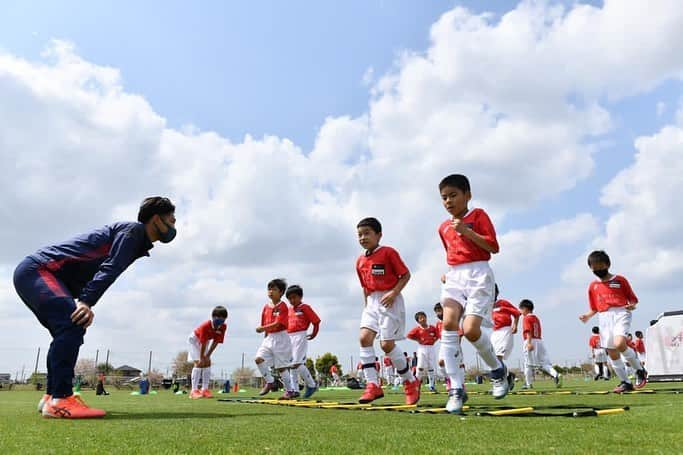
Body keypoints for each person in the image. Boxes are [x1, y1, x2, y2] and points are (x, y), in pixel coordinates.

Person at [14, 196, 176, 419]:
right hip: (40, 270)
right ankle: (61, 399)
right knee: (72, 325)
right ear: (156, 219)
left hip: (37, 273)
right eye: (171, 220)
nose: (173, 226)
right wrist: (86, 301)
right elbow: (111, 267)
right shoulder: (134, 232)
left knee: (67, 329)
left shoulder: (136, 239)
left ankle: (52, 396)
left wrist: (83, 299)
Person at [437, 174, 506, 413]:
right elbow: (453, 252)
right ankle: (456, 387)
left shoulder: (478, 216)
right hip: (455, 275)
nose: (448, 201)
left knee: (470, 330)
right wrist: (449, 272)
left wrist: (468, 232)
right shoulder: (443, 227)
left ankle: (497, 370)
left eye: (453, 195)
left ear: (468, 195)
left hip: (479, 273)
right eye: (444, 197)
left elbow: (493, 247)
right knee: (448, 324)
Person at [355, 217, 421, 405]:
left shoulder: (388, 253)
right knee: (364, 338)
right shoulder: (360, 261)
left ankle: (410, 381)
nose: (363, 237)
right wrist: (366, 306)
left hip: (390, 301)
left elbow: (405, 275)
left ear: (379, 235)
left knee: (386, 345)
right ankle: (372, 385)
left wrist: (394, 292)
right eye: (359, 234)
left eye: (367, 233)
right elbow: (365, 287)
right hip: (372, 302)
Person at [579, 250, 647, 393]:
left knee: (619, 344)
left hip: (621, 312)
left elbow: (633, 299)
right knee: (612, 352)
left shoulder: (620, 280)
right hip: (604, 317)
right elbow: (594, 308)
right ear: (590, 268)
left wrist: (632, 305)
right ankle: (625, 382)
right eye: (594, 268)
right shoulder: (593, 286)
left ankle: (640, 370)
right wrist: (587, 316)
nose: (598, 270)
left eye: (600, 266)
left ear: (607, 264)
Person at [255, 279, 294, 398]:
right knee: (258, 359)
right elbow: (265, 326)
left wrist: (262, 328)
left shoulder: (283, 306)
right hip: (269, 337)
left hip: (281, 337)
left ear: (281, 292)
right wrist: (265, 335)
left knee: (281, 367)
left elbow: (278, 323)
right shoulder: (266, 307)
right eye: (269, 289)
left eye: (274, 289)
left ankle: (290, 391)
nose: (271, 291)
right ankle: (270, 382)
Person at [285, 284, 320, 399]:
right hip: (289, 337)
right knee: (291, 364)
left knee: (297, 363)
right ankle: (294, 390)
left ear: (300, 297)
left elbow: (316, 321)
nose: (292, 300)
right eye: (289, 298)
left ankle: (311, 385)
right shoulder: (289, 309)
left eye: (294, 297)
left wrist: (314, 334)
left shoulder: (305, 307)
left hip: (300, 335)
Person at [187, 305, 228, 399]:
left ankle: (204, 389)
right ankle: (193, 391)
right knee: (199, 363)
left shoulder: (223, 327)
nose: (221, 319)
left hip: (206, 341)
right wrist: (202, 358)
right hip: (195, 340)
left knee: (208, 362)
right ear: (213, 317)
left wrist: (208, 355)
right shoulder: (205, 326)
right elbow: (203, 343)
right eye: (218, 317)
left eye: (223, 317)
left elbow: (216, 341)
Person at [519, 300, 561, 389]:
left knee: (528, 364)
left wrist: (529, 343)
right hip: (539, 341)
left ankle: (528, 383)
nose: (521, 312)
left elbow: (528, 331)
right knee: (544, 363)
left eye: (521, 309)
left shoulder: (526, 318)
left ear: (525, 309)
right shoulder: (536, 318)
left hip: (531, 341)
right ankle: (556, 374)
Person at [406, 312, 439, 392]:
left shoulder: (432, 328)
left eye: (424, 317)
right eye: (420, 318)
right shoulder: (417, 329)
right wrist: (417, 339)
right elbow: (409, 335)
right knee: (420, 366)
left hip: (431, 348)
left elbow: (437, 335)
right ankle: (417, 384)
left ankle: (431, 385)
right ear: (418, 321)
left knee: (431, 366)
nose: (423, 319)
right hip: (422, 348)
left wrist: (434, 340)